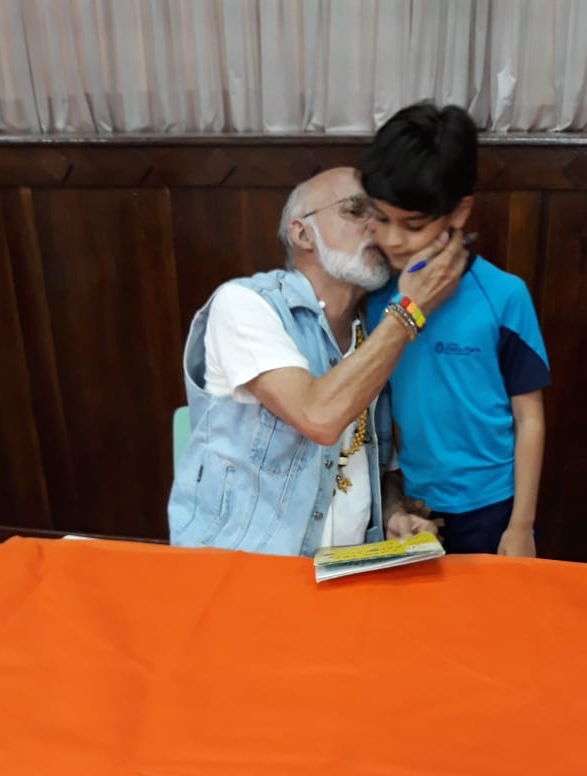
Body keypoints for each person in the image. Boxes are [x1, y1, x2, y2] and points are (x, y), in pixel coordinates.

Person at [168, 166, 468, 556]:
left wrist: (394, 514)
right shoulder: (246, 303)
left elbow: (378, 465)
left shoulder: (375, 333)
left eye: (381, 215)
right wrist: (410, 309)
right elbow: (319, 417)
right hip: (245, 568)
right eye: (356, 210)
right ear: (302, 233)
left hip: (348, 569)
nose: (376, 227)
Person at [359, 103, 551, 557]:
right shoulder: (375, 300)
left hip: (493, 507)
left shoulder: (503, 295)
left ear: (460, 211)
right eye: (381, 218)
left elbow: (529, 418)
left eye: (413, 225)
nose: (392, 239)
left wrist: (521, 525)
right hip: (412, 506)